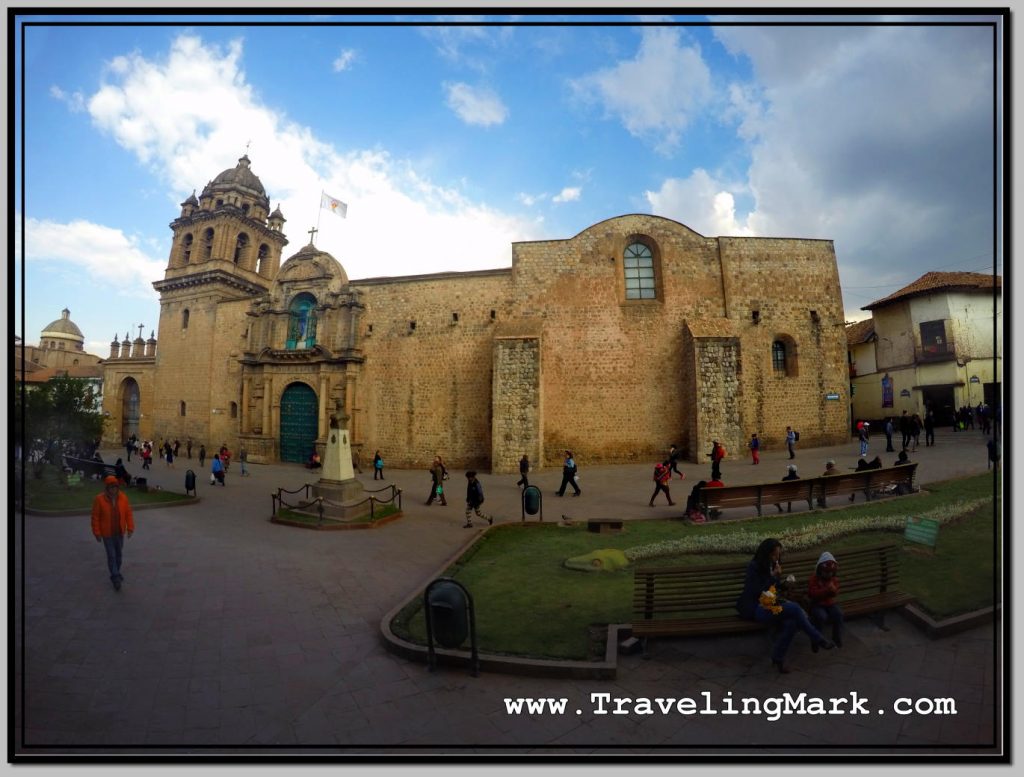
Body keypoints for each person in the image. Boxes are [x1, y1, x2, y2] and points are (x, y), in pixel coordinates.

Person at [735, 538, 833, 674]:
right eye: (775, 554)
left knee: (792, 623)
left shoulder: (771, 565)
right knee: (794, 608)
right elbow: (757, 591)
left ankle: (778, 657)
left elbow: (772, 590)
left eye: (778, 554)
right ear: (766, 553)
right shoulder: (754, 566)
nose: (777, 557)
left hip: (771, 605)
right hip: (757, 608)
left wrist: (783, 584)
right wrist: (774, 577)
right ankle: (817, 638)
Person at [91, 475, 135, 591]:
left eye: (115, 487)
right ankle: (115, 577)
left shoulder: (123, 498)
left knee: (119, 555)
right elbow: (95, 517)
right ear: (107, 488)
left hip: (119, 532)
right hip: (107, 534)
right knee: (111, 555)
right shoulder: (99, 499)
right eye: (111, 487)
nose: (113, 490)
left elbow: (128, 514)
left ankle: (116, 572)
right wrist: (97, 533)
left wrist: (130, 528)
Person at [807, 551, 844, 650]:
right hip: (817, 604)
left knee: (838, 614)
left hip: (830, 604)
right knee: (821, 616)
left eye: (830, 573)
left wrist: (833, 590)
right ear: (820, 570)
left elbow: (835, 593)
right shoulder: (814, 579)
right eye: (826, 572)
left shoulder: (833, 579)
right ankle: (816, 640)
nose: (828, 575)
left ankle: (836, 638)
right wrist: (826, 590)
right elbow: (812, 593)